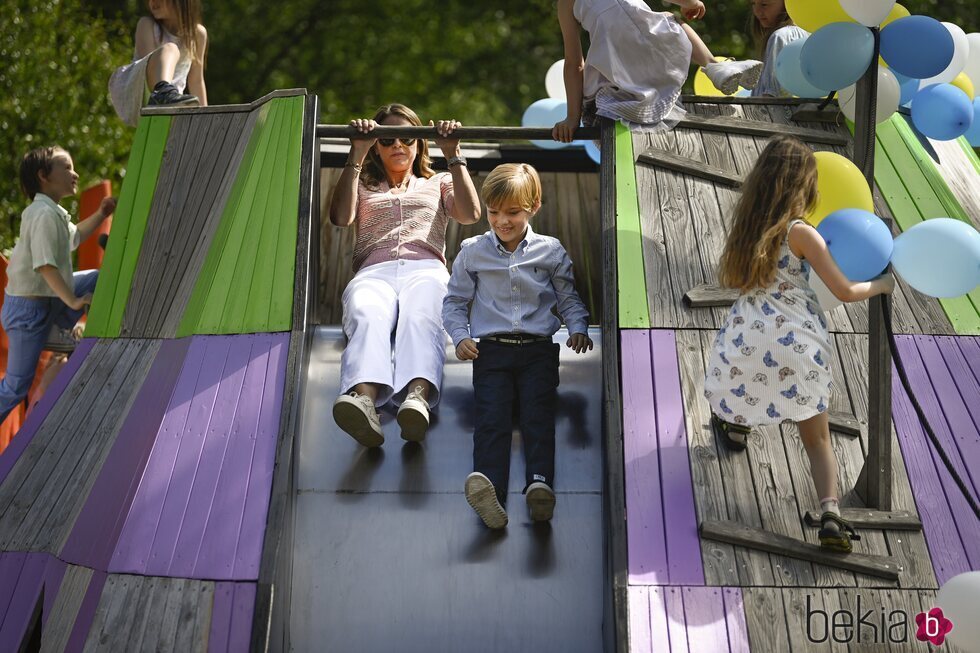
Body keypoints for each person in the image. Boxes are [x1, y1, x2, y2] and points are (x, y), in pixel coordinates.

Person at [704, 136, 894, 553]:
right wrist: (881, 284)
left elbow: (736, 282)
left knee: (745, 379)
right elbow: (842, 290)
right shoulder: (801, 234)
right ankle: (831, 514)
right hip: (797, 343)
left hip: (748, 337)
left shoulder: (746, 230)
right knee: (818, 440)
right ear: (804, 186)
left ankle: (736, 424)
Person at [443, 163, 593, 529]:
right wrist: (460, 336)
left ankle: (539, 484)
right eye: (493, 212)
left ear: (534, 207)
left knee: (537, 416)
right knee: (491, 418)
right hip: (491, 352)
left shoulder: (550, 251)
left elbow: (568, 297)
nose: (501, 221)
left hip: (538, 351)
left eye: (512, 212)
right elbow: (454, 301)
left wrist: (577, 326)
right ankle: (489, 489)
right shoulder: (473, 251)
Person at [329, 104, 481, 448]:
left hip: (424, 267)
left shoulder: (437, 181)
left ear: (419, 143)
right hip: (375, 271)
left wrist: (453, 153)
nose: (397, 145)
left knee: (421, 314)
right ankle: (364, 400)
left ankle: (417, 397)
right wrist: (357, 150)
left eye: (407, 137)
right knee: (366, 314)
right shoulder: (364, 183)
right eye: (386, 140)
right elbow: (340, 217)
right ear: (376, 148)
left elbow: (470, 214)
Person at [1, 147, 116, 424]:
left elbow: (74, 237)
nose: (74, 174)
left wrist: (101, 214)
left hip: (45, 300)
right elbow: (45, 266)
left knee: (97, 278)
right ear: (44, 176)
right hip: (27, 313)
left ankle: (55, 332)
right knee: (16, 387)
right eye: (66, 167)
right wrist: (74, 302)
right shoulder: (41, 215)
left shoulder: (53, 212)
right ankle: (54, 330)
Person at [553, 0, 764, 140]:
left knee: (609, 98)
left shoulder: (566, 3)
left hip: (614, 64)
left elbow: (574, 62)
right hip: (651, 48)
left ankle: (715, 68)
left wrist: (573, 116)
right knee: (672, 21)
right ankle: (714, 66)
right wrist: (691, 2)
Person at [109, 0, 208, 127]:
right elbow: (148, 65)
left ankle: (166, 94)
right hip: (141, 92)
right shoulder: (146, 24)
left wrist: (205, 116)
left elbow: (196, 80)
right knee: (170, 49)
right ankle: (163, 91)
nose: (152, 2)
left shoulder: (198, 34)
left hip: (171, 101)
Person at [748, 0, 809, 97]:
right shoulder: (807, 33)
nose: (757, 11)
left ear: (787, 3)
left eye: (764, 4)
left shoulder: (780, 36)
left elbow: (773, 95)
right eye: (753, 4)